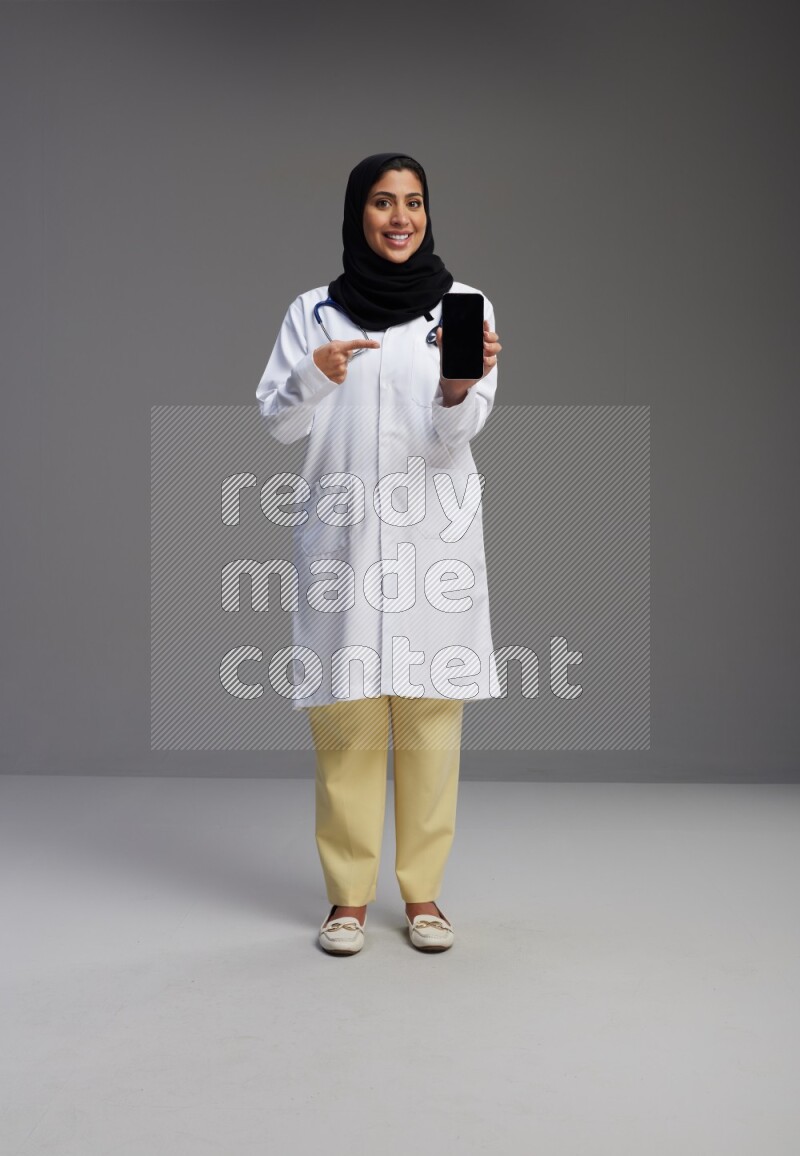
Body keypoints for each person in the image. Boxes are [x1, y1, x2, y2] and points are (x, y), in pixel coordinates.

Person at [256, 152, 502, 955]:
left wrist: (459, 390)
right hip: (346, 541)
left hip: (434, 539)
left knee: (431, 722)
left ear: (429, 215)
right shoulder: (315, 313)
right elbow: (279, 423)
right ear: (358, 214)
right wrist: (313, 377)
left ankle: (424, 897)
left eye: (415, 203)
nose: (401, 217)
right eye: (383, 203)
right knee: (349, 724)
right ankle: (348, 902)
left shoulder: (463, 305)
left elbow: (455, 435)